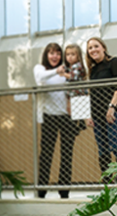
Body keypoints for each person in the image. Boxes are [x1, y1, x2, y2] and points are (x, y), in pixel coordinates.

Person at [34, 42, 79, 199]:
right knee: (46, 154)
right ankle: (41, 190)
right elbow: (39, 78)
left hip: (67, 118)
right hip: (49, 117)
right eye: (51, 53)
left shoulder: (67, 71)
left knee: (67, 154)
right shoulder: (41, 69)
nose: (55, 56)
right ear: (47, 55)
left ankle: (64, 190)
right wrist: (56, 71)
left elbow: (78, 84)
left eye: (58, 53)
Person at [85, 37, 117, 179]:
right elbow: (91, 94)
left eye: (96, 46)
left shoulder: (114, 62)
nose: (93, 50)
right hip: (97, 116)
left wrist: (111, 107)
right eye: (90, 48)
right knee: (103, 150)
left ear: (103, 47)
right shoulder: (92, 70)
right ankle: (107, 184)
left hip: (114, 114)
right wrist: (87, 114)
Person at [63, 43, 87, 134]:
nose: (70, 57)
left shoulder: (77, 65)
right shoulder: (69, 67)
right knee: (74, 112)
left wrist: (62, 74)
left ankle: (79, 124)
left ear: (78, 56)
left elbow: (73, 77)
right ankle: (79, 124)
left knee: (76, 110)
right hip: (71, 94)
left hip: (77, 93)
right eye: (68, 54)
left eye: (73, 54)